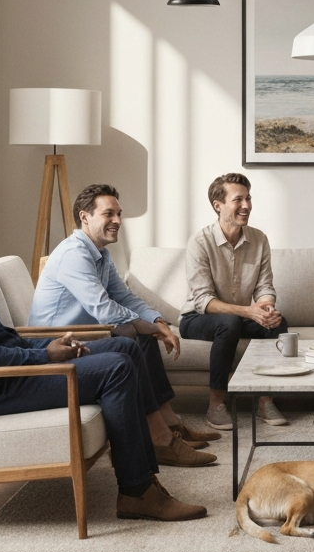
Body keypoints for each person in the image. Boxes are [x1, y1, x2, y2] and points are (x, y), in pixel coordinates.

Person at [0, 186, 206, 523]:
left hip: (14, 371)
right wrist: (45, 356)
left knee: (125, 347)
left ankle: (153, 459)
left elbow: (3, 337)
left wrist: (45, 349)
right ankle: (137, 492)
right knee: (116, 368)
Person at [28, 183, 217, 467]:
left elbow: (123, 296)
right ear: (85, 217)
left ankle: (170, 425)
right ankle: (161, 439)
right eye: (108, 214)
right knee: (133, 338)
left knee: (142, 334)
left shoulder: (100, 254)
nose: (117, 221)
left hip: (86, 339)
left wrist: (155, 320)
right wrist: (147, 326)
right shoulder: (74, 254)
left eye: (119, 214)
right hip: (58, 346)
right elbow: (103, 308)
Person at [179, 173, 289, 432]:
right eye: (238, 199)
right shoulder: (200, 242)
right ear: (218, 205)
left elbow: (264, 286)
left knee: (278, 323)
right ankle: (216, 403)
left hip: (239, 317)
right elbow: (204, 300)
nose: (247, 205)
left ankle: (265, 400)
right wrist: (249, 312)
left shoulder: (259, 239)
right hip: (196, 318)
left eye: (248, 198)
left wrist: (266, 308)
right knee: (228, 323)